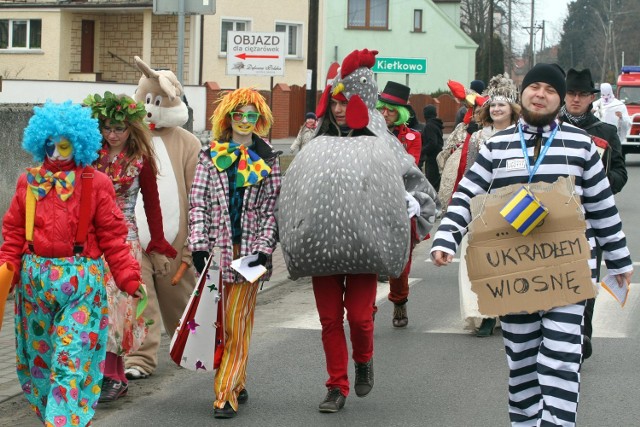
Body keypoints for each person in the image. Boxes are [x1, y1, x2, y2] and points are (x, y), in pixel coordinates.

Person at [430, 63, 633, 426]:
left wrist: (618, 262)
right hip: (513, 273)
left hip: (568, 274)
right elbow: (468, 193)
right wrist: (447, 236)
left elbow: (604, 209)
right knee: (521, 362)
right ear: (523, 94)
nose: (541, 94)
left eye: (550, 90)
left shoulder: (582, 146)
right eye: (534, 86)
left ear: (558, 100)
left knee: (561, 360)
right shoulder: (497, 146)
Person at [279, 48, 438, 413]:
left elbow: (416, 184)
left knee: (362, 318)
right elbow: (294, 186)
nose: (339, 109)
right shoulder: (315, 143)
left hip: (364, 244)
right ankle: (336, 385)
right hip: (322, 246)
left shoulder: (383, 142)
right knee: (330, 319)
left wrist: (411, 202)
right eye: (335, 102)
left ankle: (364, 359)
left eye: (347, 101)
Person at [0, 101, 143, 426]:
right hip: (35, 286)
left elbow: (113, 236)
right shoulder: (29, 182)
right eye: (50, 144)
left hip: (80, 285)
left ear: (79, 143)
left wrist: (128, 277)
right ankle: (68, 416)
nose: (57, 151)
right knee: (40, 367)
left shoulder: (97, 183)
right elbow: (12, 233)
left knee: (71, 361)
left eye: (65, 144)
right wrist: (8, 269)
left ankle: (62, 420)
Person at [188, 88, 281, 419]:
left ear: (260, 120)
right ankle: (238, 381)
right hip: (216, 251)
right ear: (227, 118)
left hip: (251, 252)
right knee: (225, 323)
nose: (244, 121)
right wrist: (198, 244)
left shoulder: (268, 158)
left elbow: (272, 211)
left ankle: (225, 393)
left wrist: (265, 250)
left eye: (251, 115)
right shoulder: (208, 155)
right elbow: (198, 201)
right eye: (238, 114)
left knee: (236, 322)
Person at [84, 92, 178, 402]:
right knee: (95, 306)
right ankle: (99, 372)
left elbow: (152, 205)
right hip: (92, 238)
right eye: (107, 127)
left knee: (120, 307)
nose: (112, 134)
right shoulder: (90, 155)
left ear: (131, 129)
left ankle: (114, 374)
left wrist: (160, 245)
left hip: (124, 238)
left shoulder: (141, 160)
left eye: (119, 128)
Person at [125, 57, 201, 380]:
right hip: (133, 236)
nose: (151, 109)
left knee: (178, 297)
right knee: (140, 298)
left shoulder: (188, 143)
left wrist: (191, 245)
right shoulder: (129, 141)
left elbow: (197, 194)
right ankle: (139, 358)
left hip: (175, 239)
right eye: (147, 101)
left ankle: (195, 346)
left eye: (158, 102)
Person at [559, 68, 628, 359]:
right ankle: (558, 337)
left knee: (586, 281)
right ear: (564, 96)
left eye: (582, 95)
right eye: (572, 94)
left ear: (591, 98)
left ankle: (583, 334)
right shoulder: (550, 129)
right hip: (553, 220)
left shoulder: (605, 132)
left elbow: (620, 173)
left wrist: (598, 183)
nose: (576, 99)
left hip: (591, 219)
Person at [455, 74, 521, 337]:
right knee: (480, 260)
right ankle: (484, 313)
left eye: (501, 106)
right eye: (492, 106)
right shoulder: (478, 138)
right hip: (482, 206)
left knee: (510, 260)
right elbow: (469, 173)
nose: (496, 109)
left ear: (512, 110)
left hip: (514, 204)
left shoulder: (522, 137)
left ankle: (508, 309)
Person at [376, 81, 422, 327]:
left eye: (390, 110)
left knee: (401, 260)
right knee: (368, 258)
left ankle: (400, 300)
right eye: (381, 109)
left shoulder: (412, 137)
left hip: (401, 201)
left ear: (401, 113)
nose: (384, 114)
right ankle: (367, 307)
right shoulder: (368, 133)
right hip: (372, 201)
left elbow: (408, 165)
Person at [420, 105, 444, 191]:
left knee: (432, 183)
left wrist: (421, 151)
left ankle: (434, 202)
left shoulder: (429, 126)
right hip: (437, 156)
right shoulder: (436, 124)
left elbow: (432, 143)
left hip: (432, 158)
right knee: (436, 181)